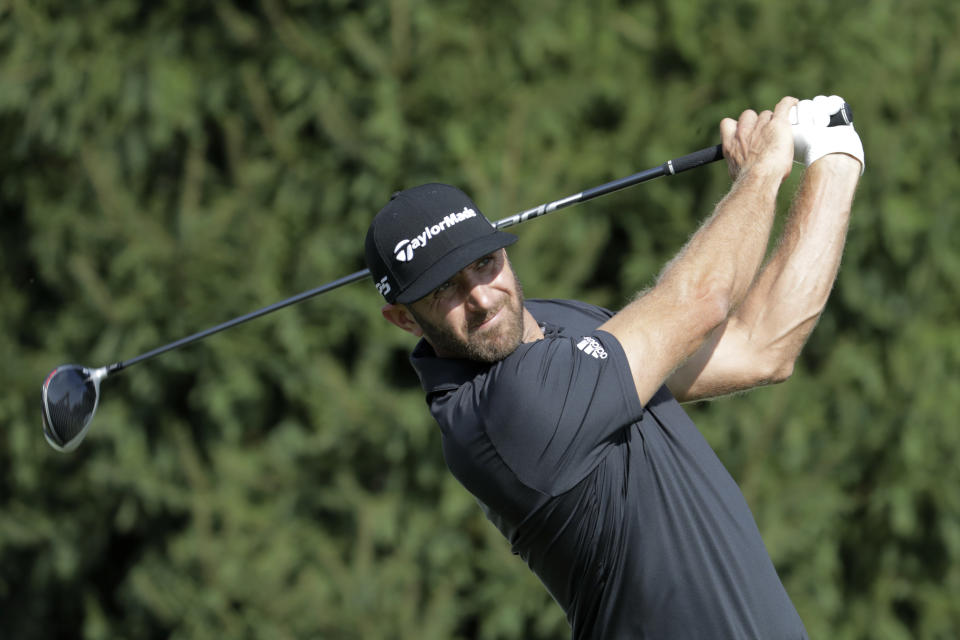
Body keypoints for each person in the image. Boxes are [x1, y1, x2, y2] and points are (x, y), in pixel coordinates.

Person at [363, 95, 863, 639]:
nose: (482, 298)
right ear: (403, 319)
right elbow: (700, 301)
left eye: (485, 263)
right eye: (444, 291)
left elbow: (761, 345)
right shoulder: (502, 413)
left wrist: (835, 156)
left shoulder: (559, 326)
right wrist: (764, 169)